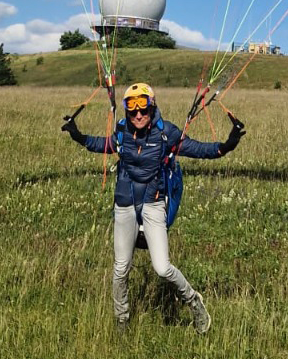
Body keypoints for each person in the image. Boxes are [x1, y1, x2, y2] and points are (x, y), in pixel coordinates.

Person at [62, 80, 246, 332]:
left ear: (152, 107)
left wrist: (227, 145)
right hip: (124, 204)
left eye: (143, 108)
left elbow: (198, 149)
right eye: (132, 109)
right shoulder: (122, 132)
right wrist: (78, 136)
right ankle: (122, 320)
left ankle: (193, 300)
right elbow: (104, 145)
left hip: (153, 204)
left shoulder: (166, 133)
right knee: (120, 269)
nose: (138, 114)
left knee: (161, 268)